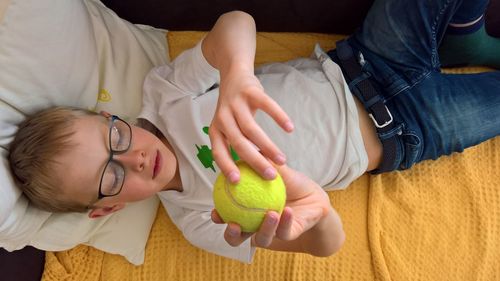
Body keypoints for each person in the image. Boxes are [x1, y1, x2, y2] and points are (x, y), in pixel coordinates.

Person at [8, 0, 500, 263]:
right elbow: (324, 245)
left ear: (107, 117)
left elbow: (236, 23)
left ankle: (461, 36)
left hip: (366, 60)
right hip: (406, 132)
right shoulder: (201, 221)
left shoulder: (165, 94)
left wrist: (236, 74)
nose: (133, 158)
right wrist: (319, 211)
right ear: (107, 208)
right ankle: (458, 41)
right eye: (111, 177)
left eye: (114, 140)